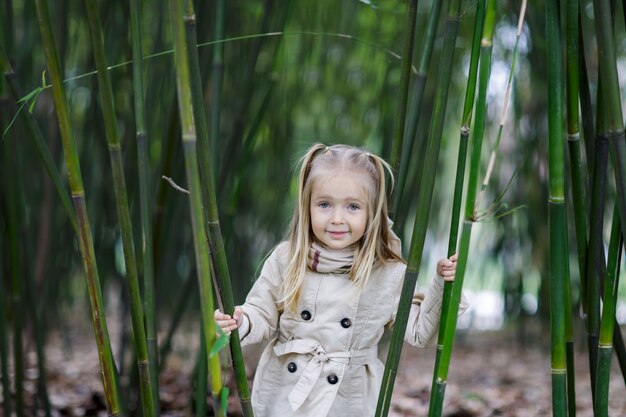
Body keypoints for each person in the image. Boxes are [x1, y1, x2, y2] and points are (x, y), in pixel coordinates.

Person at [214, 143, 469, 417]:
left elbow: (420, 332)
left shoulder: (388, 273)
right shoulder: (287, 258)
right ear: (307, 206)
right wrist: (242, 321)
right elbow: (262, 311)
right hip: (287, 393)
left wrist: (444, 285)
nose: (337, 218)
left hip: (349, 398)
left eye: (352, 207)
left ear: (372, 212)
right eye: (324, 204)